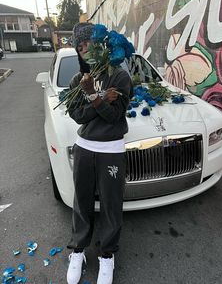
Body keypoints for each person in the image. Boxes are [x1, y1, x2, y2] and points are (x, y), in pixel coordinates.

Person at [66, 22, 132, 284]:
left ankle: (107, 254)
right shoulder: (76, 80)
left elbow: (116, 117)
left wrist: (93, 96)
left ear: (100, 43)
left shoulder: (119, 77)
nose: (85, 51)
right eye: (80, 47)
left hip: (111, 150)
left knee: (111, 205)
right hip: (85, 148)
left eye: (89, 44)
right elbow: (76, 115)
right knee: (81, 203)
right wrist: (100, 99)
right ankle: (79, 249)